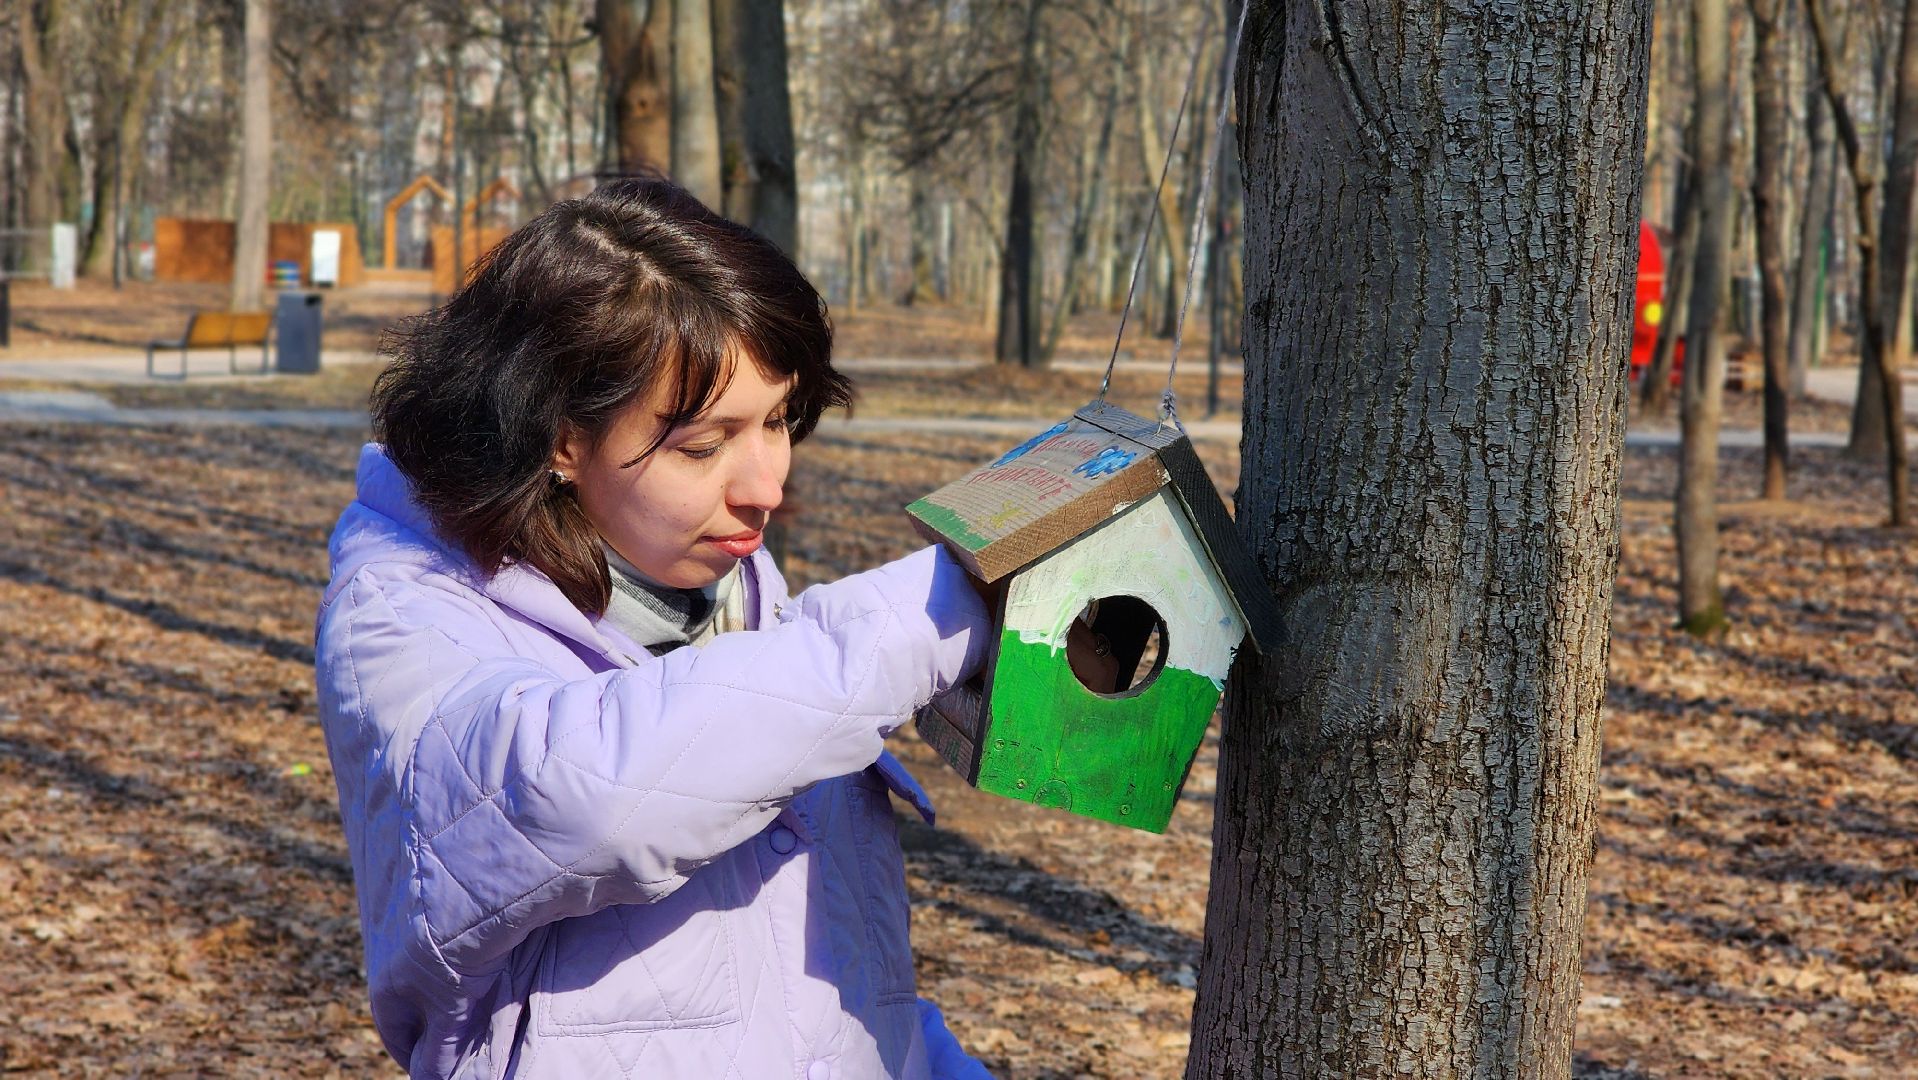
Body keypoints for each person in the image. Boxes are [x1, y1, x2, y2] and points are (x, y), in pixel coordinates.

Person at [313, 176, 995, 1079]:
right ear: (560, 436)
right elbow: (583, 794)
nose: (766, 487)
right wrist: (928, 618)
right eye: (705, 445)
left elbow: (829, 988)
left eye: (780, 421)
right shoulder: (406, 618)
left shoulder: (725, 587)